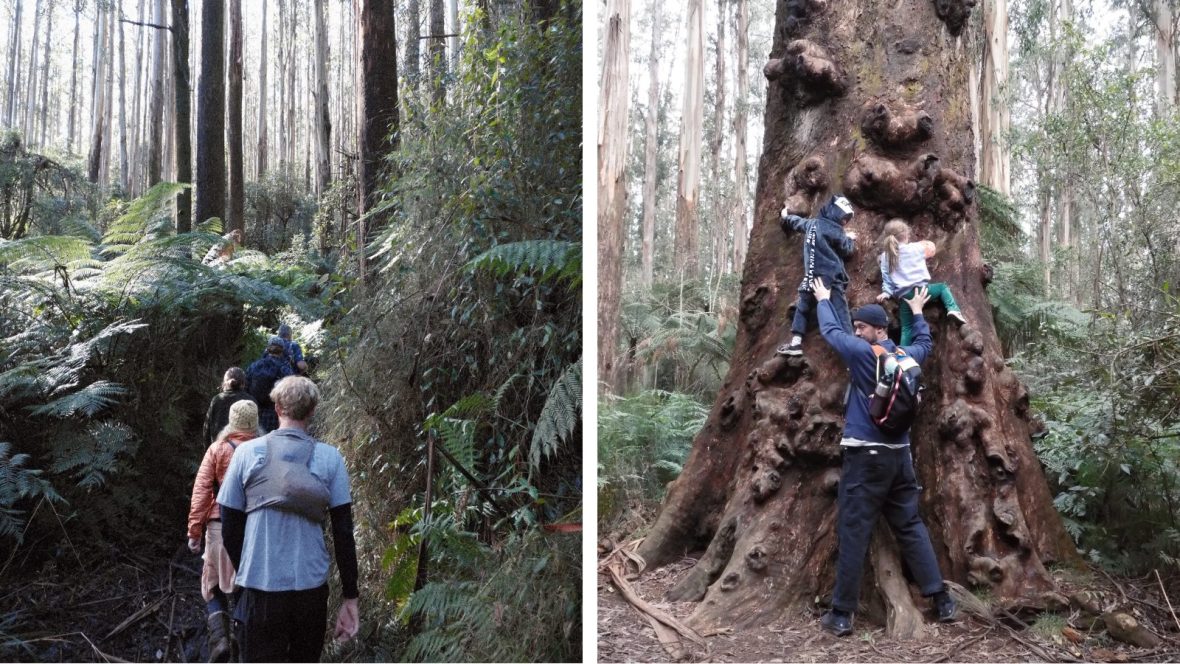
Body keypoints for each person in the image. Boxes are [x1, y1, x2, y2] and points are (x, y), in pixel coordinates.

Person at [811, 277, 956, 636]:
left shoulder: (861, 354)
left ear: (878, 329)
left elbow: (830, 331)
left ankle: (842, 614)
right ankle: (942, 600)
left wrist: (824, 299)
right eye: (856, 327)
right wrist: (918, 312)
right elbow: (924, 341)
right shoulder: (906, 355)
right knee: (909, 524)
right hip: (900, 457)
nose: (857, 332)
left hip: (865, 456)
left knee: (854, 528)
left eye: (861, 327)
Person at [217, 376, 360, 662]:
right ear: (312, 412)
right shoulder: (330, 458)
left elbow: (229, 524)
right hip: (310, 591)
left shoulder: (245, 453)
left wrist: (245, 568)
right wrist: (350, 596)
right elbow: (343, 531)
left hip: (260, 587)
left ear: (277, 407)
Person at [187, 400, 262, 662]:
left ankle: (220, 640)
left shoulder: (217, 449)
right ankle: (243, 644)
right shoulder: (263, 449)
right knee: (245, 588)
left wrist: (194, 532)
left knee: (212, 585)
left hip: (219, 527)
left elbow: (202, 492)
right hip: (255, 528)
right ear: (255, 422)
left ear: (231, 422)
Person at [777, 194, 859, 356]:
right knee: (841, 310)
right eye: (844, 218)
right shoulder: (836, 231)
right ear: (835, 213)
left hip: (811, 278)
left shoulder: (811, 224)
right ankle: (850, 345)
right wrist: (850, 239)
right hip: (831, 279)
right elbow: (847, 251)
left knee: (802, 308)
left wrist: (786, 217)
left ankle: (796, 343)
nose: (844, 222)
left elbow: (796, 223)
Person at [876, 219, 966, 345]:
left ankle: (903, 354)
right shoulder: (916, 248)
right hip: (922, 291)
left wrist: (886, 292)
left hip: (905, 297)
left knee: (906, 329)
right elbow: (931, 250)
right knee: (942, 288)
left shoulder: (886, 257)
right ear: (906, 235)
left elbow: (887, 279)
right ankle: (953, 309)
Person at [245, 337, 294, 432]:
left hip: (254, 410)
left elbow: (245, 386)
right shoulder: (284, 368)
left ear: (267, 349)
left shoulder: (254, 366)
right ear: (282, 350)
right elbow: (290, 391)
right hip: (274, 413)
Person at [202, 367, 256, 447]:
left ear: (224, 383)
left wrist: (208, 450)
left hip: (219, 448)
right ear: (243, 384)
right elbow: (257, 428)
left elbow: (207, 428)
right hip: (245, 449)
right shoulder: (250, 401)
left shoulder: (217, 400)